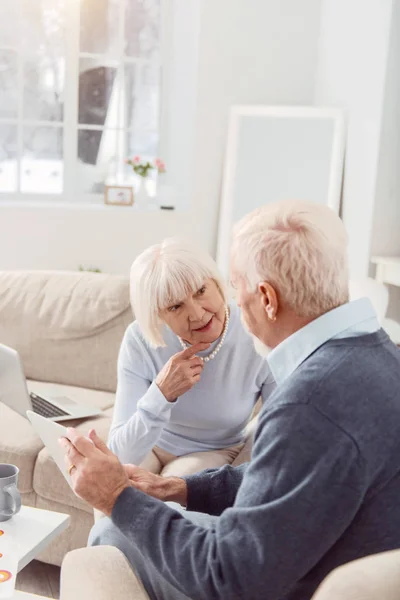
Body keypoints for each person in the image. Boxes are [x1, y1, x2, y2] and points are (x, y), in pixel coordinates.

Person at [60, 199, 400, 600]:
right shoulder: (382, 356)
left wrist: (117, 496)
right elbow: (289, 480)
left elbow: (230, 577)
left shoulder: (305, 403)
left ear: (267, 298)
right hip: (307, 555)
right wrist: (180, 489)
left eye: (233, 287)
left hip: (285, 582)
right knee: (112, 528)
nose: (230, 304)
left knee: (109, 534)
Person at [108, 238, 274, 476]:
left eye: (201, 291)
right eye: (175, 307)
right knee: (110, 481)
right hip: (151, 444)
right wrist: (162, 392)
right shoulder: (139, 339)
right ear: (159, 315)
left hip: (213, 450)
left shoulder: (257, 332)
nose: (197, 315)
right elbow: (121, 455)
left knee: (173, 494)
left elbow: (283, 420)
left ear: (217, 283)